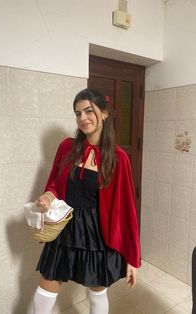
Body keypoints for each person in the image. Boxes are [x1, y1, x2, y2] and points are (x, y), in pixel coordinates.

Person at [33, 88, 141, 314]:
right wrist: (47, 197)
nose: (83, 118)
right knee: (46, 286)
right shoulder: (67, 147)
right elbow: (54, 184)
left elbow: (126, 210)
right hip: (65, 228)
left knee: (97, 292)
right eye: (78, 113)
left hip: (96, 234)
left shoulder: (118, 158)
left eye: (88, 111)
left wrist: (133, 257)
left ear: (104, 113)